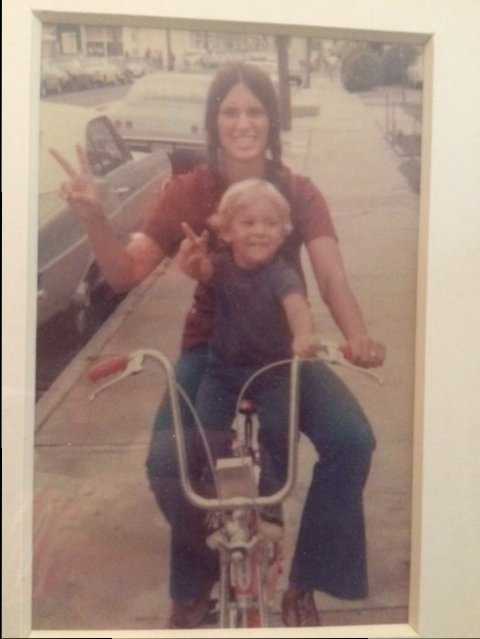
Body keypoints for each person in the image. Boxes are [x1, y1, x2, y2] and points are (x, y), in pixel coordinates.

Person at [51, 61, 385, 630]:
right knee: (166, 463)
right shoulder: (188, 190)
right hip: (212, 350)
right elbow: (127, 271)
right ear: (213, 121)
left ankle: (302, 584)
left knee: (352, 440)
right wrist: (95, 222)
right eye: (230, 111)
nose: (243, 123)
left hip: (285, 351)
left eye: (254, 111)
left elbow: (331, 277)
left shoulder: (299, 192)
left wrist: (355, 333)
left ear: (271, 120)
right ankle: (198, 579)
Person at [178, 178, 320, 502]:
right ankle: (221, 497)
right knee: (207, 429)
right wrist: (195, 261)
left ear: (284, 232)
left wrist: (304, 334)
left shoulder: (281, 273)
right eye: (248, 223)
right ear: (227, 232)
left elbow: (296, 306)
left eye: (270, 224)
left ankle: (270, 504)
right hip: (222, 371)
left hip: (274, 373)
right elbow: (202, 271)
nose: (260, 231)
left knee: (280, 432)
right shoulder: (222, 266)